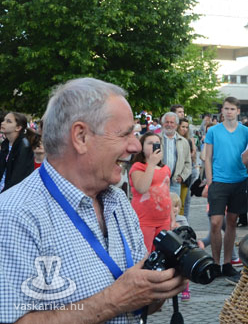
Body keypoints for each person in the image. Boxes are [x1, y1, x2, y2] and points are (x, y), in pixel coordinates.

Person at [0, 77, 185, 323]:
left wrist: (163, 280)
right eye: (125, 134)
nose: (135, 146)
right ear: (81, 137)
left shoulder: (118, 201)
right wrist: (115, 299)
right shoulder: (14, 215)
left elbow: (139, 305)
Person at [202, 96, 248, 280]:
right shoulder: (213, 131)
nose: (229, 112)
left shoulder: (246, 132)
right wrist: (210, 182)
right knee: (216, 222)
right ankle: (215, 263)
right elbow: (207, 157)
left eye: (232, 109)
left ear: (238, 111)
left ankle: (227, 263)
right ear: (222, 110)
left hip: (239, 181)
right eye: (226, 108)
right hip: (219, 182)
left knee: (232, 221)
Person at [129, 132, 172, 252]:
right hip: (145, 220)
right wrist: (151, 164)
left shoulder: (165, 168)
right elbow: (141, 188)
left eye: (157, 143)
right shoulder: (138, 167)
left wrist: (172, 218)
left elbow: (167, 194)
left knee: (161, 253)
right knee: (144, 253)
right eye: (150, 143)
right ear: (142, 147)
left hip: (164, 220)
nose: (154, 146)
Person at [0, 111, 36, 193]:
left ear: (18, 128)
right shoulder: (5, 144)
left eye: (8, 121)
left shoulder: (24, 146)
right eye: (4, 120)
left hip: (13, 193)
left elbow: (17, 178)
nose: (3, 123)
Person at [177, 117, 198, 214]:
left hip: (185, 176)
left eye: (186, 127)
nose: (185, 129)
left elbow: (189, 159)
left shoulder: (188, 141)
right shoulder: (173, 139)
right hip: (174, 175)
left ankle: (182, 221)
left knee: (182, 203)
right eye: (183, 127)